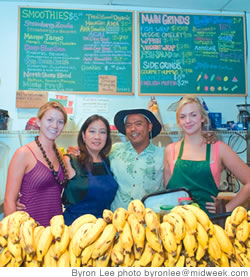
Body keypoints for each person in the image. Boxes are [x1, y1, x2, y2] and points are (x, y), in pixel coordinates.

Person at [164, 95, 250, 215]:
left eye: (193, 115)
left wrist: (226, 209)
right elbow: (168, 192)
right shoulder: (170, 150)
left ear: (202, 118)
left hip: (209, 222)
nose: (188, 120)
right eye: (183, 117)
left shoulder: (219, 148)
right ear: (178, 121)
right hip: (177, 223)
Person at [4, 101, 68, 226]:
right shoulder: (24, 154)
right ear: (39, 122)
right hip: (28, 230)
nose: (55, 125)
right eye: (49, 120)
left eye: (60, 122)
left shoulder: (59, 154)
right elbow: (9, 201)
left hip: (54, 231)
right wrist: (15, 234)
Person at [62, 115, 118, 225]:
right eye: (92, 131)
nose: (97, 137)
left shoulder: (107, 161)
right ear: (83, 135)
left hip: (103, 228)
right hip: (73, 227)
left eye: (102, 132)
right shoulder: (70, 160)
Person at [110, 109, 164, 210]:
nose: (133, 128)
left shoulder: (163, 155)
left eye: (138, 124)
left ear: (149, 127)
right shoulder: (114, 151)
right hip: (118, 220)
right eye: (128, 125)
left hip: (150, 220)